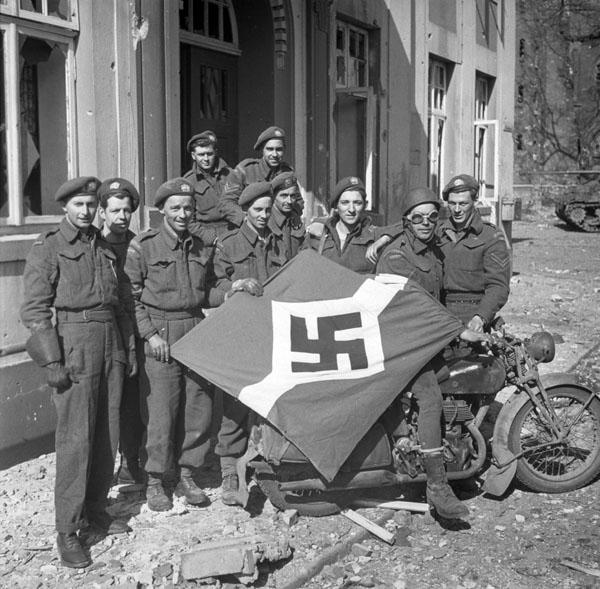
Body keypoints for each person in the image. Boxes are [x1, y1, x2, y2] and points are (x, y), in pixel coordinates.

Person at [20, 177, 133, 569]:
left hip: (109, 341)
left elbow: (120, 302)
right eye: (79, 205)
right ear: (65, 207)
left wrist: (126, 348)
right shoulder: (49, 247)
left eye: (90, 205)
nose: (85, 212)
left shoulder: (103, 246)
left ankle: (96, 510)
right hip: (74, 342)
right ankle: (67, 530)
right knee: (75, 440)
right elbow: (35, 310)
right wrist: (52, 361)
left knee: (108, 431)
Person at [376, 187, 483, 520]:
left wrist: (468, 324)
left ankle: (449, 452)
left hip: (424, 339)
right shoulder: (397, 256)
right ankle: (437, 486)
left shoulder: (433, 251)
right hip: (400, 342)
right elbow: (414, 307)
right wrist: (455, 329)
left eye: (432, 216)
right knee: (431, 398)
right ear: (407, 221)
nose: (426, 222)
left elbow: (440, 298)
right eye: (418, 217)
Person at [124, 178, 227, 512]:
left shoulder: (201, 246)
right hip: (160, 332)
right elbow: (132, 296)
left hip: (194, 327)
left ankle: (187, 473)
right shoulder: (144, 245)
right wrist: (150, 335)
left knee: (198, 406)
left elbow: (205, 291)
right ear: (162, 210)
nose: (183, 214)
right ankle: (156, 479)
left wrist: (231, 292)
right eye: (176, 208)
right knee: (160, 411)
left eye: (188, 208)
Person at [213, 181, 286, 506]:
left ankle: (262, 461)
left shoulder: (278, 242)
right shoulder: (228, 244)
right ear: (245, 212)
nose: (263, 215)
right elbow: (212, 285)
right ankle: (229, 467)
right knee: (236, 402)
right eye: (257, 210)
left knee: (270, 397)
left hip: (272, 332)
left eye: (267, 210)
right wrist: (233, 285)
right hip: (240, 334)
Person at [97, 178, 145, 485]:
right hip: (103, 332)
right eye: (114, 210)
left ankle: (130, 462)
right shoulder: (93, 244)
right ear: (102, 212)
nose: (121, 217)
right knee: (103, 405)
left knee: (131, 402)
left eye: (126, 211)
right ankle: (100, 470)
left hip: (134, 330)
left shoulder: (138, 245)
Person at [438, 174, 511, 331]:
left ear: (475, 202)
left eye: (463, 204)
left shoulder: (491, 236)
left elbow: (498, 286)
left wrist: (481, 317)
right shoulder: (438, 232)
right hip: (440, 313)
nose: (457, 210)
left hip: (472, 314)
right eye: (452, 203)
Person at [220, 126, 293, 227]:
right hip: (247, 228)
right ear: (262, 150)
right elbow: (226, 203)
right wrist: (246, 221)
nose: (275, 154)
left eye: (279, 149)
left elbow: (297, 201)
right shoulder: (245, 170)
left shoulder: (287, 172)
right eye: (270, 149)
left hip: (279, 230)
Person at [305, 176, 379, 274]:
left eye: (357, 203)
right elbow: (303, 272)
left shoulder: (374, 237)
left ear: (365, 205)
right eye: (345, 203)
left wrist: (385, 237)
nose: (351, 209)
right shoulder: (318, 235)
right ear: (336, 206)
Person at [183, 130, 233, 242]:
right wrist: (207, 236)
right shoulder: (189, 181)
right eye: (201, 154)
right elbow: (188, 220)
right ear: (193, 156)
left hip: (232, 232)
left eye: (209, 154)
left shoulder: (230, 174)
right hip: (205, 236)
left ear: (215, 152)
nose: (206, 159)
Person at [269, 172, 306, 261]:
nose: (289, 201)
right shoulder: (266, 221)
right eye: (284, 196)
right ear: (273, 196)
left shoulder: (295, 217)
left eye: (292, 196)